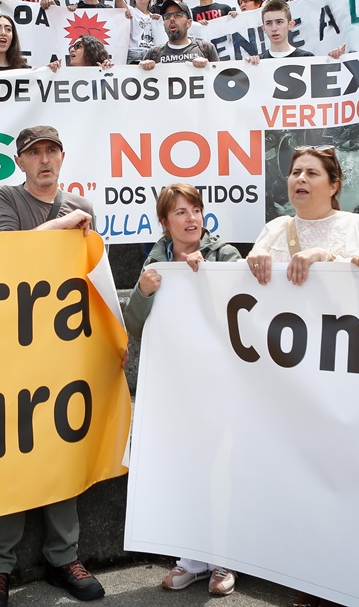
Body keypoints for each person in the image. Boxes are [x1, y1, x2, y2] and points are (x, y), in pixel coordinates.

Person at [0, 124, 100, 607]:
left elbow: (90, 275)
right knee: (6, 447)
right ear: (21, 162)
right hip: (8, 343)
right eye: (35, 153)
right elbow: (8, 254)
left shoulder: (82, 208)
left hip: (62, 346)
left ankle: (62, 556)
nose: (44, 160)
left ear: (62, 157)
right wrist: (60, 227)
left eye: (52, 151)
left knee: (60, 446)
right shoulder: (3, 198)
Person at [122, 183, 241, 598]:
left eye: (195, 209)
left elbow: (243, 311)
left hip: (219, 381)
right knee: (184, 466)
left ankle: (224, 558)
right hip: (176, 385)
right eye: (180, 212)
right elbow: (134, 326)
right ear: (165, 222)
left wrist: (208, 277)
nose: (191, 218)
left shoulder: (225, 255)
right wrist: (144, 292)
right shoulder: (155, 261)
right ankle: (190, 560)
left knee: (219, 468)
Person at [245, 145, 359, 286]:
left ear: (333, 187)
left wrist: (326, 257)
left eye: (312, 173)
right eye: (296, 172)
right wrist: (253, 261)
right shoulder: (274, 230)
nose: (301, 178)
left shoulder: (358, 227)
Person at [140, 0, 218, 69]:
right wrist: (143, 69)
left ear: (189, 23)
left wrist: (208, 68)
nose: (172, 19)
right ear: (163, 25)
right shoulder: (153, 53)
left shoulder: (206, 48)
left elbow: (220, 80)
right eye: (167, 16)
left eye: (178, 15)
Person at [245, 0, 313, 63]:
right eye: (268, 23)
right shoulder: (258, 62)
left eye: (279, 22)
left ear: (290, 25)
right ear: (264, 28)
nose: (274, 28)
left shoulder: (307, 58)